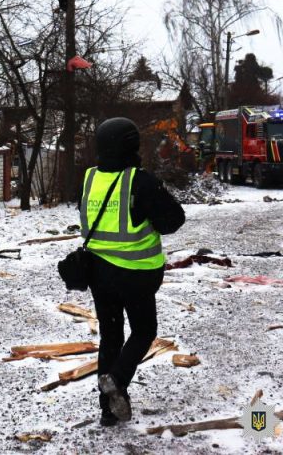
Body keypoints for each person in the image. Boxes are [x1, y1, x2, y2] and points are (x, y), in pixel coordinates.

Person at [81, 117, 186, 426]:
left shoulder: (89, 179)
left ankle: (108, 410)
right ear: (132, 145)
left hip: (99, 275)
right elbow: (173, 221)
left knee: (111, 337)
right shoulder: (140, 181)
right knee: (143, 331)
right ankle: (116, 379)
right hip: (135, 275)